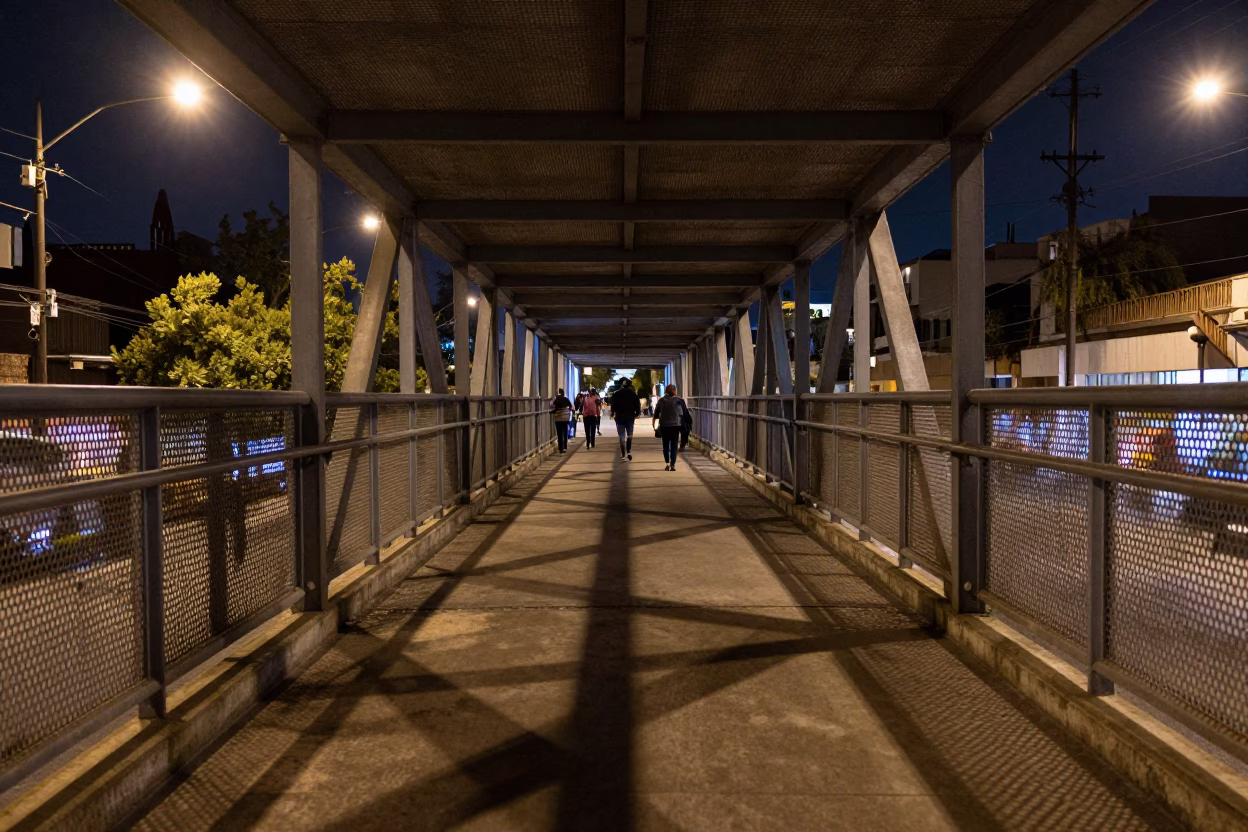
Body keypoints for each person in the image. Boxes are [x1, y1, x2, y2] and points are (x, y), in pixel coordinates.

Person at [652, 384, 691, 471]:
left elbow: (656, 414)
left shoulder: (661, 401)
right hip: (676, 425)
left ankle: (667, 463)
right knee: (674, 445)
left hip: (664, 425)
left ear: (666, 390)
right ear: (674, 391)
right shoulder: (680, 400)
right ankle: (673, 464)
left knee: (665, 445)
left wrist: (654, 424)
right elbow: (686, 414)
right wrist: (689, 424)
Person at [610, 377, 641, 461]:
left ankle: (623, 454)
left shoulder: (616, 394)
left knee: (621, 436)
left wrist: (613, 413)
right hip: (630, 417)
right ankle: (629, 452)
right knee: (630, 435)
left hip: (619, 417)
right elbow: (637, 405)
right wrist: (637, 413)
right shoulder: (633, 394)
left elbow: (613, 405)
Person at [551, 388, 573, 453]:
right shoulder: (566, 399)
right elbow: (571, 406)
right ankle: (565, 447)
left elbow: (552, 406)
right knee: (565, 432)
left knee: (559, 434)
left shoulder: (556, 400)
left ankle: (561, 448)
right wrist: (568, 411)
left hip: (558, 419)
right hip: (566, 418)